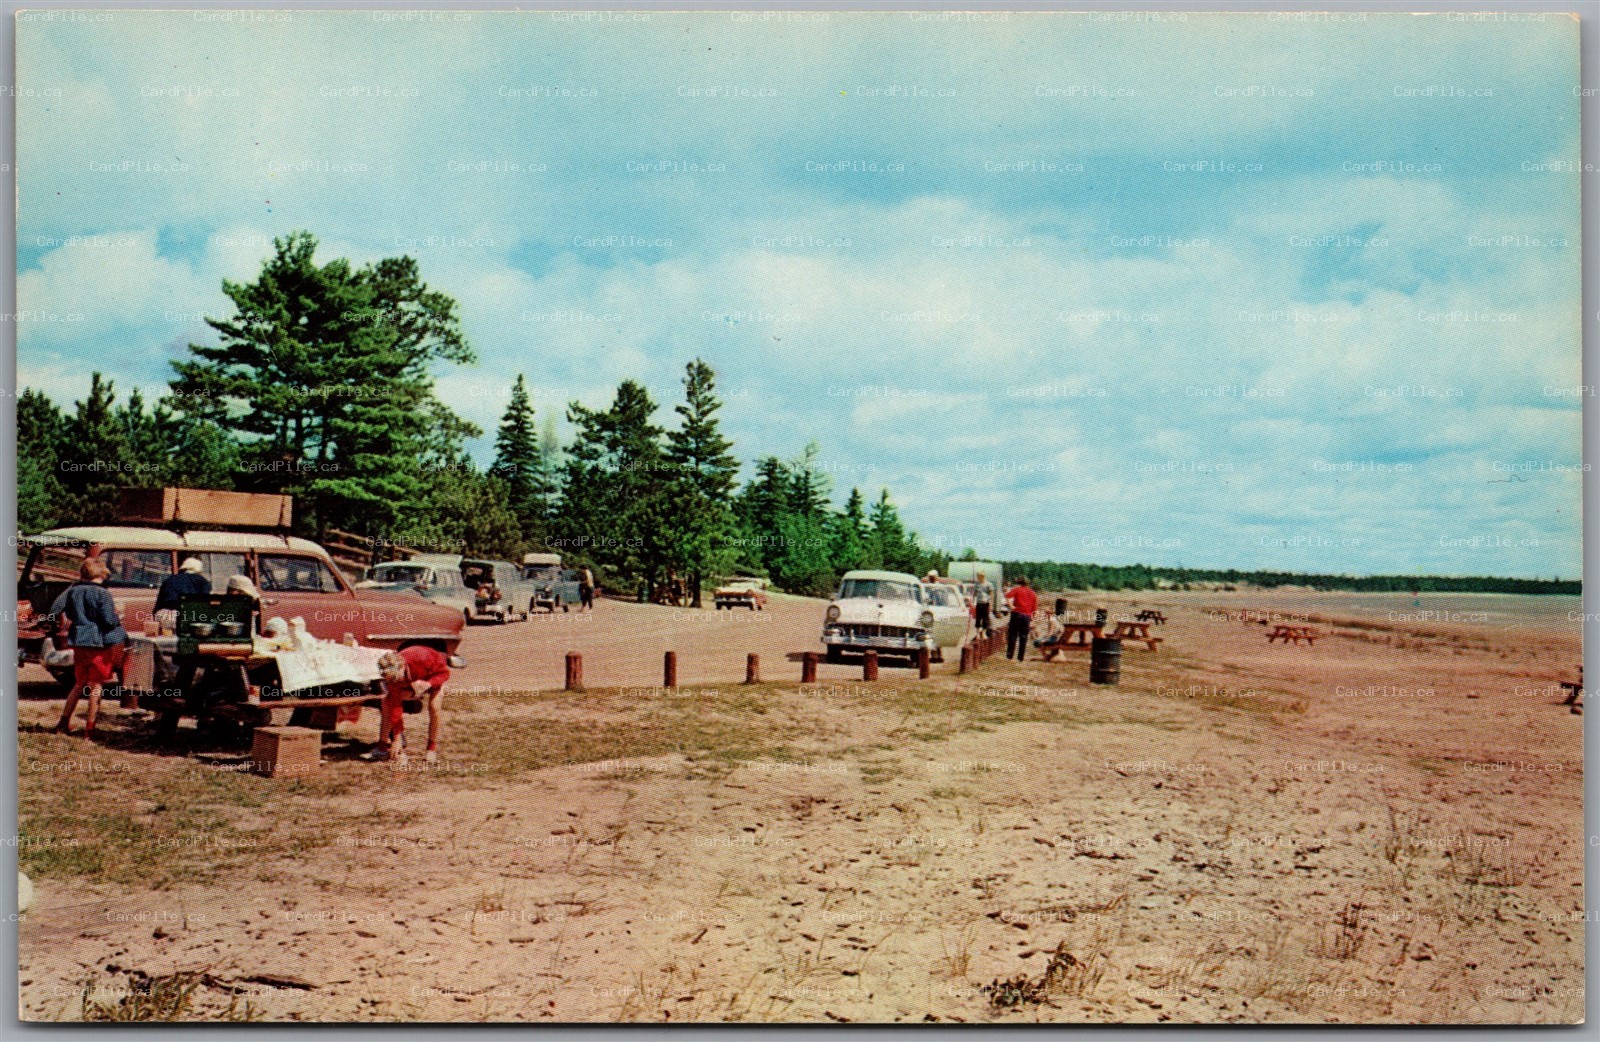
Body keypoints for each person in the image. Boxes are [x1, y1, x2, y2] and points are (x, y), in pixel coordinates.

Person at [52, 558, 128, 738]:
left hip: (79, 640)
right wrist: (118, 617)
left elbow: (57, 609)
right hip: (99, 643)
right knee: (96, 686)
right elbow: (108, 621)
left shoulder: (73, 590)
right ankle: (90, 729)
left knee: (79, 684)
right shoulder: (103, 593)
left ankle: (63, 723)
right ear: (101, 573)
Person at [368, 645, 451, 765]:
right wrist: (397, 738)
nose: (395, 681)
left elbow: (445, 673)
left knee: (434, 706)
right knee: (387, 702)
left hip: (434, 676)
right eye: (392, 679)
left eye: (396, 677)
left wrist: (429, 684)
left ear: (402, 666)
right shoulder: (394, 680)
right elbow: (396, 708)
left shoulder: (421, 658)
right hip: (413, 682)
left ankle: (431, 748)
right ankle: (382, 747)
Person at [153, 557, 210, 633]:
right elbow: (205, 603)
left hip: (167, 616)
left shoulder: (170, 579)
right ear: (199, 570)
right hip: (190, 616)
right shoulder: (203, 582)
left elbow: (159, 604)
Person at [1004, 576, 1038, 661]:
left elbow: (1007, 596)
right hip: (1027, 616)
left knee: (1013, 634)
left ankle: (1010, 655)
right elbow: (1034, 609)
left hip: (1016, 613)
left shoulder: (1017, 589)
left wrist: (1011, 606)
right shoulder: (1033, 593)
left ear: (1019, 582)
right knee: (1023, 636)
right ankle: (1020, 657)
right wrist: (1032, 620)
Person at [972, 571, 994, 637]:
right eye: (978, 576)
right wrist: (973, 601)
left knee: (985, 619)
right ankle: (977, 633)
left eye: (979, 576)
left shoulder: (988, 584)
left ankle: (984, 632)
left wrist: (991, 604)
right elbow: (975, 593)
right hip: (979, 603)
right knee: (978, 619)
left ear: (983, 576)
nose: (978, 578)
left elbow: (991, 594)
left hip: (986, 603)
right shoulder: (977, 584)